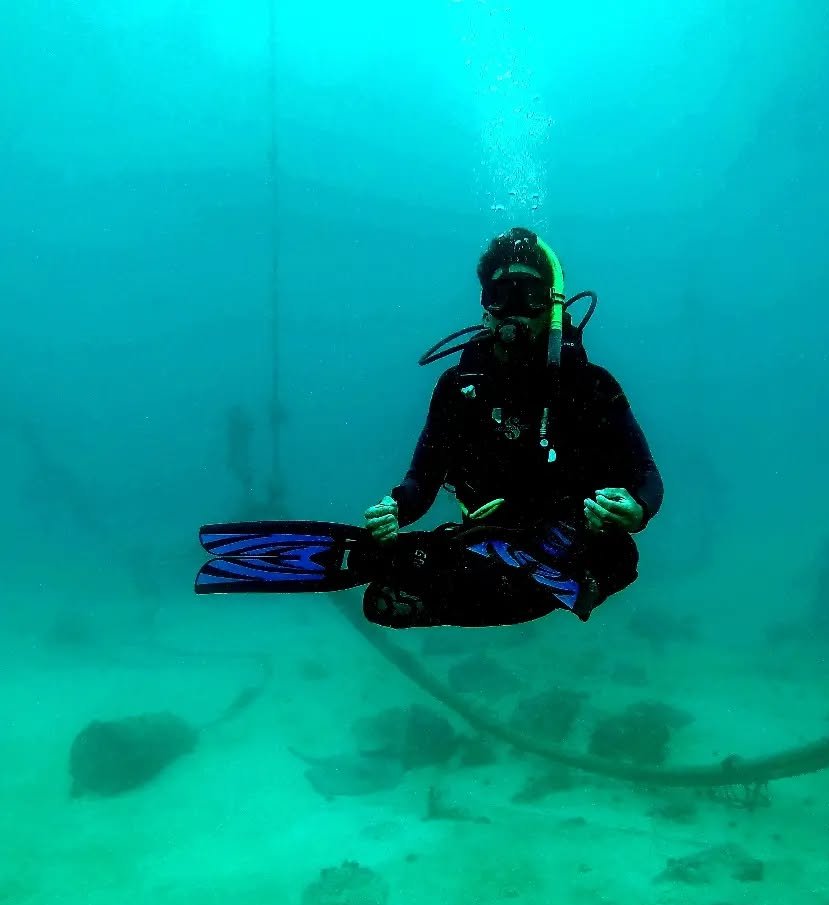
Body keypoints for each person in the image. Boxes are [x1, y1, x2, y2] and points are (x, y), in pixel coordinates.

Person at [194, 227, 662, 629]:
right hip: (493, 533)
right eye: (500, 296)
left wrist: (635, 508)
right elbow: (423, 479)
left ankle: (456, 569)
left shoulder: (592, 387)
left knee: (617, 559)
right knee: (395, 596)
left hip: (572, 542)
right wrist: (394, 507)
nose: (513, 310)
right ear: (484, 307)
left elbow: (646, 477)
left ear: (553, 306)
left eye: (529, 294)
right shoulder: (459, 387)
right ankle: (440, 563)